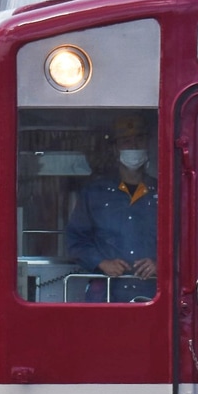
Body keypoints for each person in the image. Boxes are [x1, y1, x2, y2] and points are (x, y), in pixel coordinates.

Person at [65, 114, 158, 302]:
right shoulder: (94, 193)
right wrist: (101, 262)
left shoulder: (165, 192)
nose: (133, 146)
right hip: (105, 294)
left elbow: (183, 241)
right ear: (115, 149)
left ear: (148, 144)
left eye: (139, 139)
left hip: (154, 294)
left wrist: (161, 263)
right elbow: (75, 240)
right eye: (126, 141)